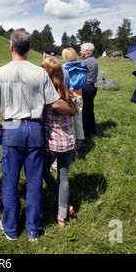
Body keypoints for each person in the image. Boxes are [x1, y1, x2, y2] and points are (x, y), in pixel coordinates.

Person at [0, 29, 76, 241]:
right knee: (35, 181)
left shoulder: (0, 73)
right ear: (29, 48)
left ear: (11, 47)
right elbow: (54, 102)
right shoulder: (40, 73)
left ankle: (10, 228)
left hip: (11, 127)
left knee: (10, 180)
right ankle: (33, 230)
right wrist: (73, 109)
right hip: (35, 129)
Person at [41, 56, 77, 228]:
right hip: (69, 142)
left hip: (53, 143)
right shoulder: (69, 94)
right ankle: (62, 214)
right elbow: (74, 112)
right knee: (64, 177)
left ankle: (62, 203)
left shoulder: (46, 98)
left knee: (42, 170)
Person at [62, 48, 87, 155]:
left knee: (65, 123)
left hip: (68, 97)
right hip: (79, 95)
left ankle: (67, 144)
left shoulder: (64, 68)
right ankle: (78, 145)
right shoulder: (82, 67)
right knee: (78, 121)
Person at [80, 43, 98, 138]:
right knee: (89, 110)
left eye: (81, 49)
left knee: (85, 111)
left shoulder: (87, 62)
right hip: (91, 87)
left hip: (87, 87)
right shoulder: (93, 60)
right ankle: (92, 130)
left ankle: (86, 133)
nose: (80, 51)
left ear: (87, 51)